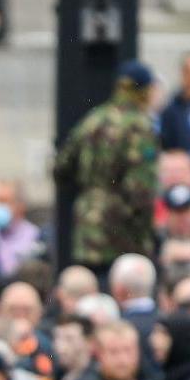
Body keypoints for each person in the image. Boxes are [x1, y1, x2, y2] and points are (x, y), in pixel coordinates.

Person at [54, 61, 159, 272]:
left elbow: (61, 168)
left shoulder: (92, 119)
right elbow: (140, 189)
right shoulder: (140, 126)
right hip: (121, 230)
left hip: (85, 226)